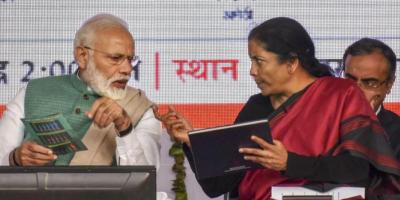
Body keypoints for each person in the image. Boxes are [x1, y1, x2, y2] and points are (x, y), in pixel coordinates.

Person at [155, 17, 400, 200]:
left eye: (259, 61)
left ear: (292, 63)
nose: (252, 71)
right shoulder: (256, 107)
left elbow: (358, 170)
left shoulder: (340, 94)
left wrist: (289, 163)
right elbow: (218, 185)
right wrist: (192, 141)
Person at [0, 14, 162, 168]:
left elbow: (146, 180)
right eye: (115, 58)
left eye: (130, 59)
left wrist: (125, 127)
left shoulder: (140, 107)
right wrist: (15, 158)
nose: (127, 69)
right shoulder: (32, 92)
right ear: (82, 56)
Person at [342, 38, 400, 160]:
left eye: (370, 83)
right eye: (350, 79)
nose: (356, 91)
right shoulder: (323, 123)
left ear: (389, 85)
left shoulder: (397, 135)